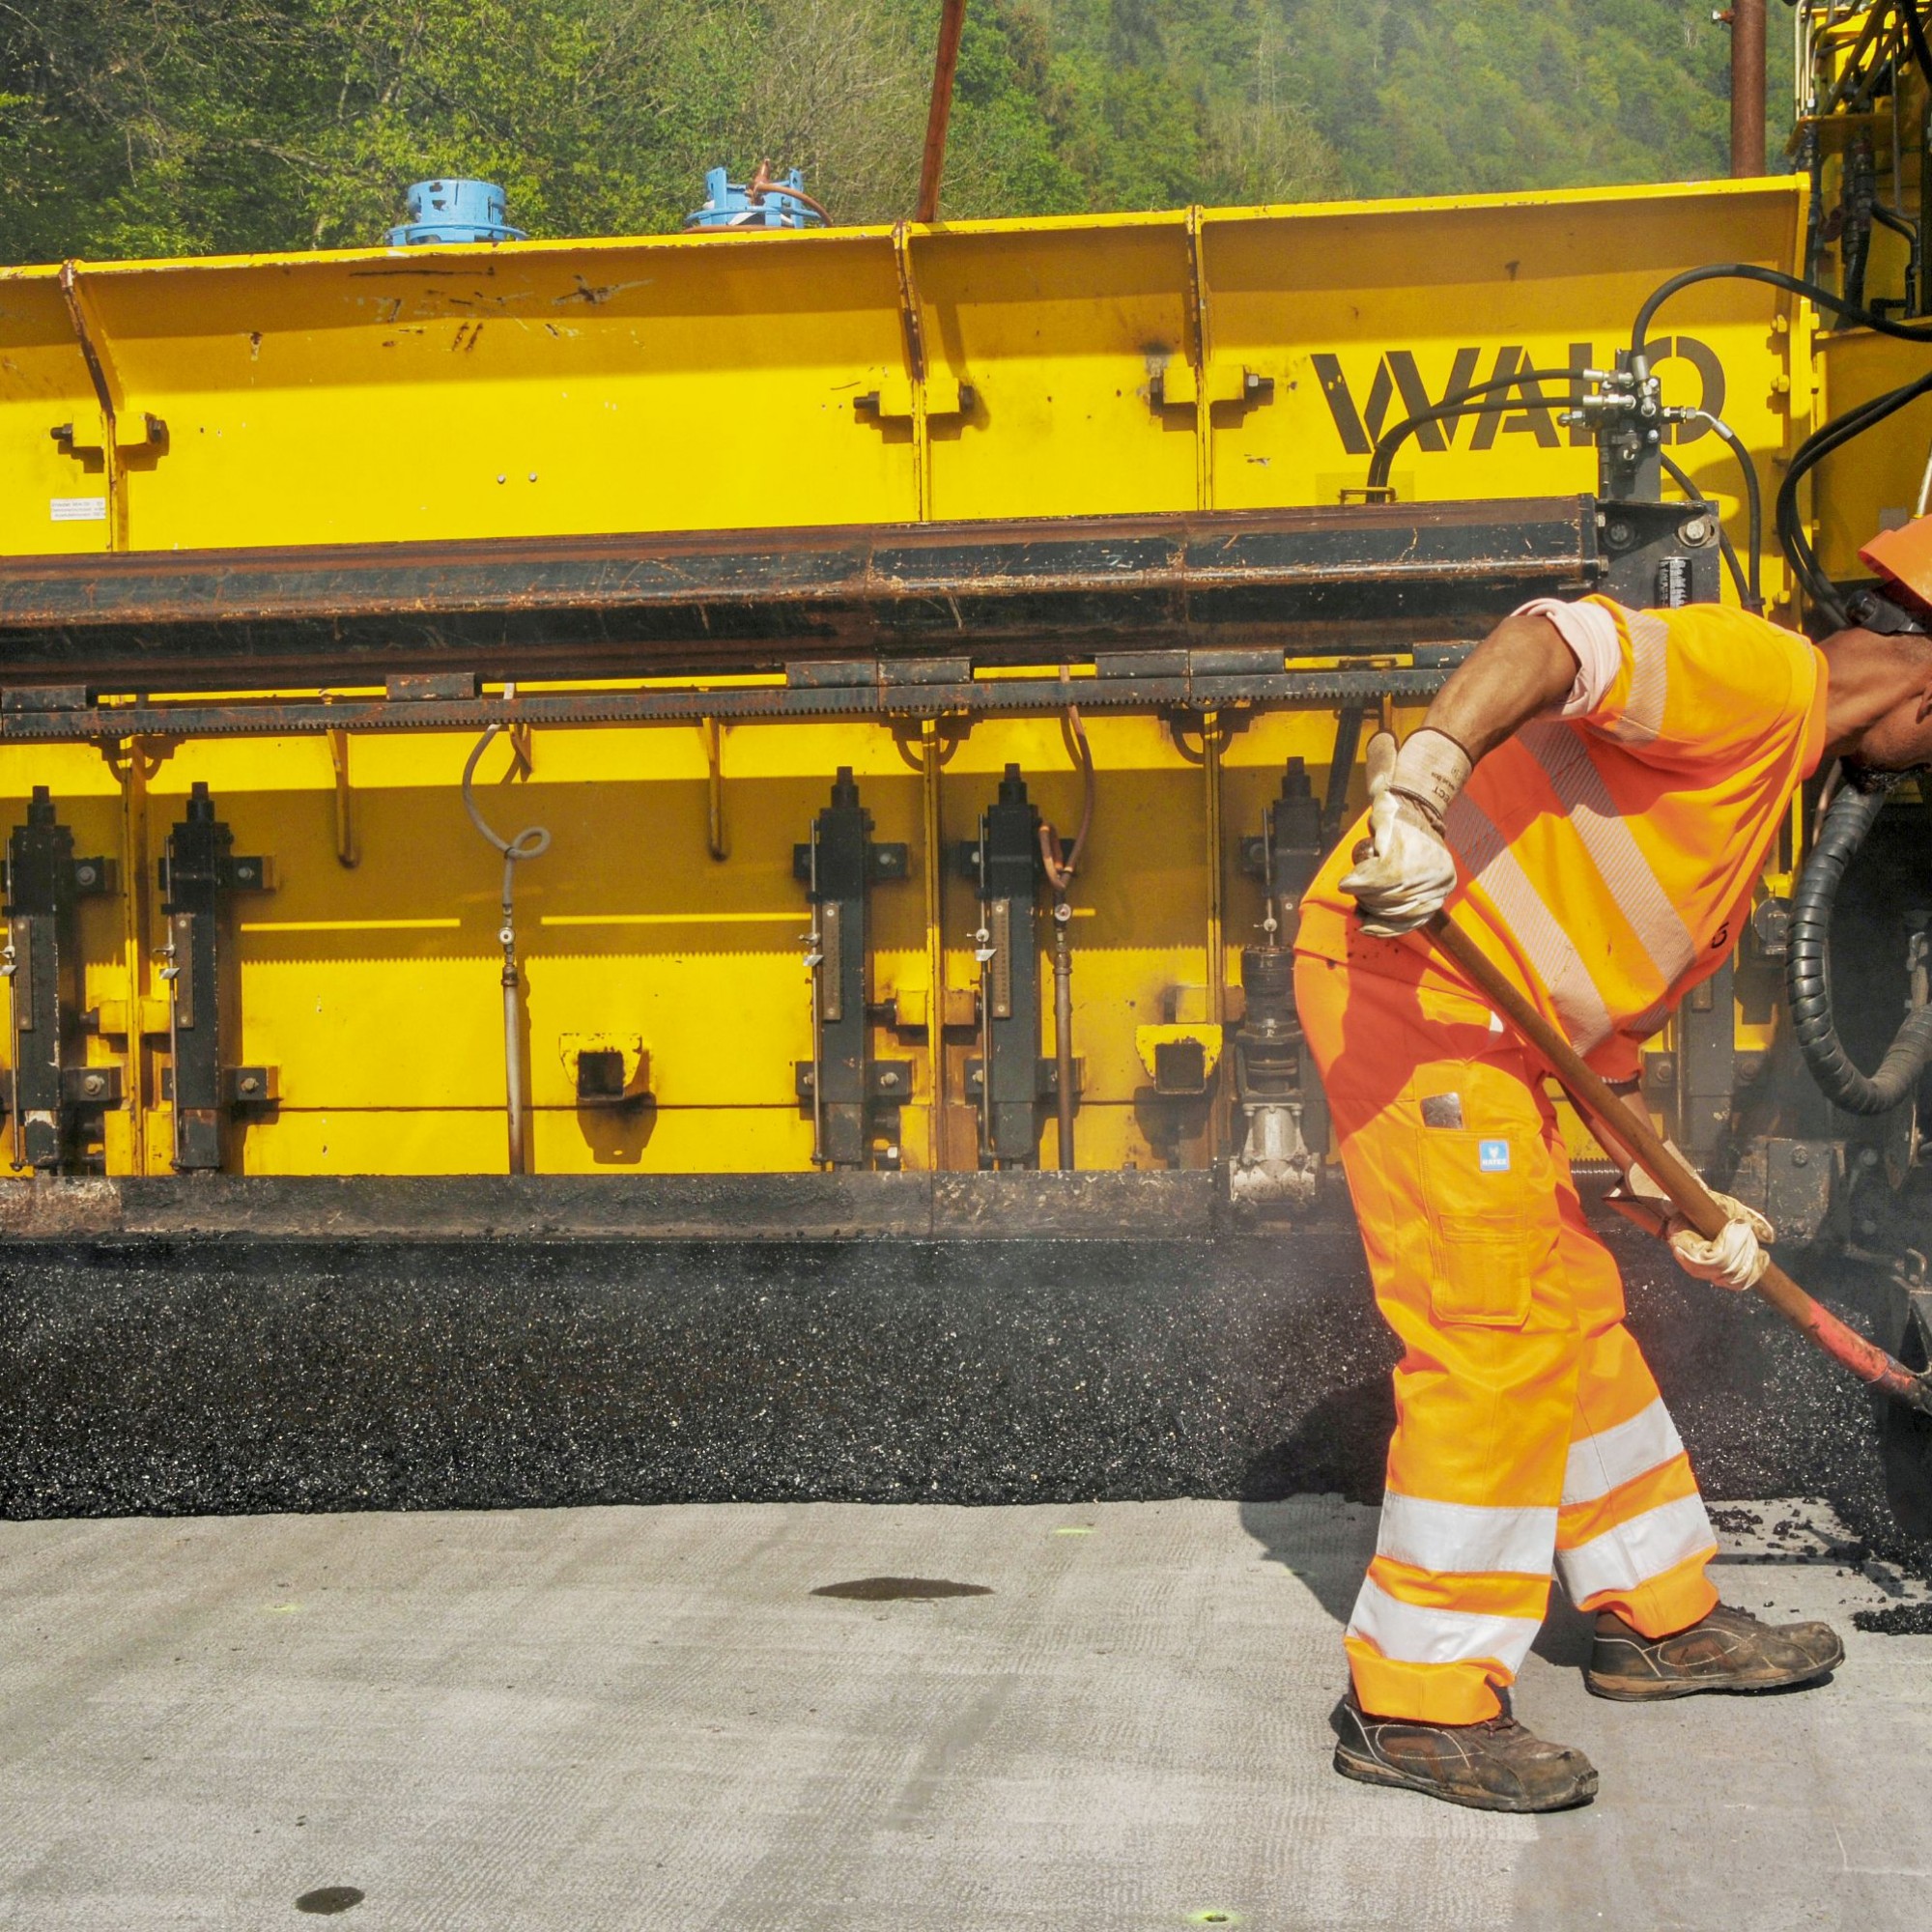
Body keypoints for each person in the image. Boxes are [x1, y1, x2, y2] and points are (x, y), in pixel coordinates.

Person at [1292, 521, 1932, 1812]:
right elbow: (1552, 638)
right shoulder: (1752, 676)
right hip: (1412, 989)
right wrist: (1415, 799)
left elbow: (1595, 976)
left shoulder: (1768, 780)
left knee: (1573, 1312)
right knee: (1491, 1331)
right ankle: (1412, 1704)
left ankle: (1657, 1615)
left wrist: (1654, 1173)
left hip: (1508, 1036)